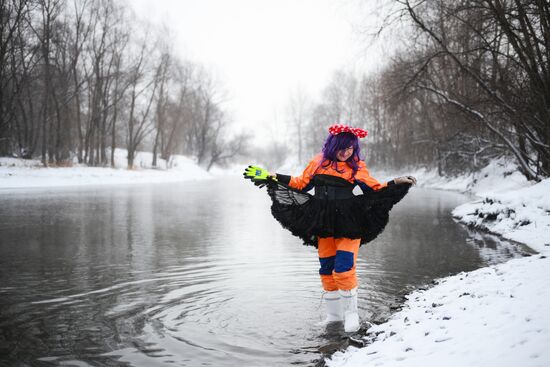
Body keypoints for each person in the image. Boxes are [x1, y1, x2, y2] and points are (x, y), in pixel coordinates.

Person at [243, 124, 416, 333]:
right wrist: (272, 176)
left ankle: (352, 315)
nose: (346, 152)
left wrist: (396, 181)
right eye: (343, 147)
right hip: (323, 221)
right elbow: (300, 184)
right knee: (327, 270)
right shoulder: (318, 162)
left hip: (349, 221)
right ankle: (334, 317)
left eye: (351, 148)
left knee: (343, 267)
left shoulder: (356, 167)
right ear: (333, 145)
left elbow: (375, 189)